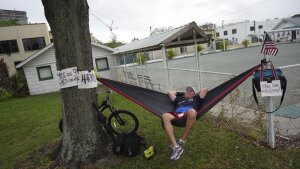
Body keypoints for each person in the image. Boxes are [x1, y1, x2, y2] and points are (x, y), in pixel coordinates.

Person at [162, 85, 208, 160]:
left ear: (194, 93)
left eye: (191, 91)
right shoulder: (178, 99)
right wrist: (181, 93)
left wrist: (194, 95)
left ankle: (183, 139)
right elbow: (170, 92)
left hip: (189, 114)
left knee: (192, 111)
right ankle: (176, 146)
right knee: (165, 115)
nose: (189, 92)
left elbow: (205, 89)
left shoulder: (196, 99)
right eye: (187, 90)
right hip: (177, 114)